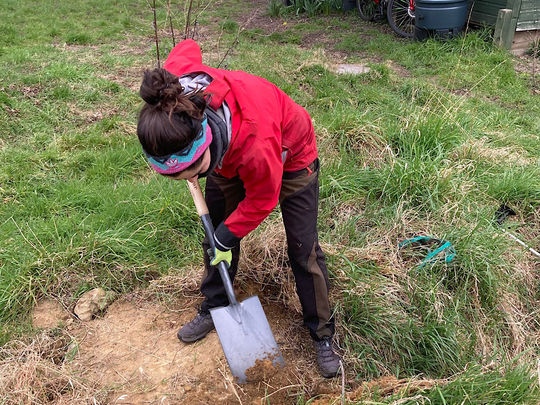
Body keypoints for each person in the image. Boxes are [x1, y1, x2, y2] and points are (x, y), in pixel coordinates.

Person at [136, 39, 340, 378]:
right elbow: (187, 45)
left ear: (205, 141)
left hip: (291, 153)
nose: (190, 179)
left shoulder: (256, 143)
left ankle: (322, 334)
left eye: (193, 172)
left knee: (302, 248)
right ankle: (216, 304)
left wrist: (228, 235)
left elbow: (263, 198)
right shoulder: (173, 90)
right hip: (227, 160)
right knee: (213, 235)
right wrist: (220, 235)